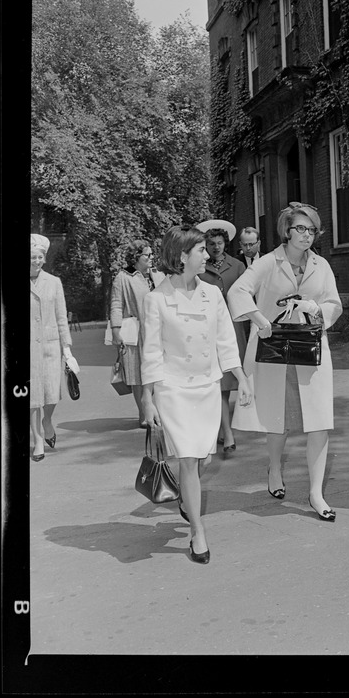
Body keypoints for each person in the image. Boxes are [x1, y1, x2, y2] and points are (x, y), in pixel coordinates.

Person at [140, 225, 252, 564]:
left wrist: (240, 376)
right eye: (201, 250)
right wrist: (147, 398)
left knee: (202, 458)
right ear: (182, 256)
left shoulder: (212, 294)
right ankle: (197, 532)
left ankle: (187, 497)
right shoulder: (156, 299)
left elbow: (225, 340)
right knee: (189, 458)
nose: (208, 255)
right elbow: (151, 352)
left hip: (206, 387)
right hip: (173, 388)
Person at [228, 203, 342, 522]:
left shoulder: (321, 266)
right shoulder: (267, 263)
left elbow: (335, 303)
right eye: (300, 229)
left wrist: (316, 308)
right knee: (278, 417)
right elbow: (238, 291)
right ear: (286, 231)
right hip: (275, 349)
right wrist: (259, 319)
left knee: (319, 421)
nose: (307, 235)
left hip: (311, 350)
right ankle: (275, 468)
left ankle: (316, 493)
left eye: (312, 230)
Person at [196, 220, 247, 454]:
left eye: (219, 243)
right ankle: (226, 432)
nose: (216, 247)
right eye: (211, 244)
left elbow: (247, 296)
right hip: (208, 330)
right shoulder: (200, 268)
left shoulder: (237, 266)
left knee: (226, 383)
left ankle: (223, 430)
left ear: (226, 243)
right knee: (217, 385)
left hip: (233, 329)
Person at [29, 234, 80, 461]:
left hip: (50, 346)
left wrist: (67, 349)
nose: (36, 261)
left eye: (40, 257)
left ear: (45, 258)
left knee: (51, 394)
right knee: (31, 397)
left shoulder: (54, 282)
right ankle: (37, 439)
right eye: (32, 257)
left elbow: (61, 318)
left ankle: (47, 420)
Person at [109, 240, 164, 427]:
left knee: (160, 370)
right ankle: (144, 413)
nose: (151, 258)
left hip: (160, 329)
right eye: (146, 255)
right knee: (139, 373)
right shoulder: (123, 277)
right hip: (137, 331)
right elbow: (116, 305)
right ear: (135, 258)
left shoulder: (157, 275)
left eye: (151, 254)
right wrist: (116, 331)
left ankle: (158, 408)